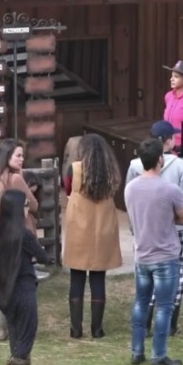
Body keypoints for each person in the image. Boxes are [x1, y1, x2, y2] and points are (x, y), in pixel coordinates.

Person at [127, 121, 183, 337]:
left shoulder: (135, 166)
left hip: (145, 230)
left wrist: (134, 228)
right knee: (177, 277)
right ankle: (170, 325)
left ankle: (145, 325)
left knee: (146, 280)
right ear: (168, 140)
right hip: (176, 231)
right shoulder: (179, 166)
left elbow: (130, 201)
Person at [125, 139, 183, 365]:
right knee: (164, 306)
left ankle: (137, 350)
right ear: (160, 159)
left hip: (142, 253)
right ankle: (158, 354)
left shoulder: (131, 188)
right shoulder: (170, 189)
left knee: (140, 303)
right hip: (165, 254)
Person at [0, 189, 50, 365]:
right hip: (23, 291)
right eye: (25, 205)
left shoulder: (0, 232)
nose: (28, 209)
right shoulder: (24, 234)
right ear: (17, 209)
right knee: (25, 339)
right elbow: (43, 256)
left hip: (5, 293)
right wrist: (35, 257)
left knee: (17, 337)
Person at [63, 134, 122, 339]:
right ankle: (97, 329)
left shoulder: (75, 169)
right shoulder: (110, 171)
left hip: (79, 224)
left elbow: (68, 188)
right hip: (103, 225)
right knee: (98, 277)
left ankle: (75, 329)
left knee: (77, 277)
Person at [0, 139, 39, 341]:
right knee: (19, 282)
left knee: (1, 281)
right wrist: (21, 178)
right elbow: (33, 205)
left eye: (23, 155)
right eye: (18, 155)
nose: (22, 159)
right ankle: (15, 324)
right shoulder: (14, 179)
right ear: (7, 156)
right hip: (15, 237)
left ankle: (1, 327)